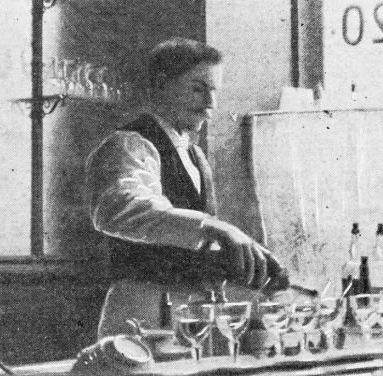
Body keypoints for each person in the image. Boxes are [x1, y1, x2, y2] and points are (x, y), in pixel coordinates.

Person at [85, 38, 287, 338]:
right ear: (163, 84)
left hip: (191, 315)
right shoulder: (130, 144)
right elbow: (121, 207)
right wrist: (213, 227)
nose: (211, 104)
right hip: (142, 313)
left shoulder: (195, 155)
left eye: (214, 91)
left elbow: (191, 251)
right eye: (197, 88)